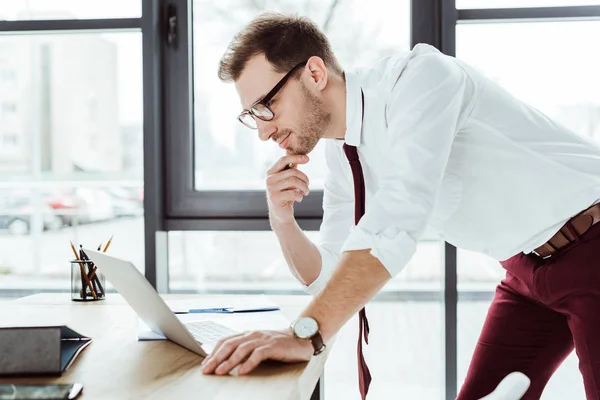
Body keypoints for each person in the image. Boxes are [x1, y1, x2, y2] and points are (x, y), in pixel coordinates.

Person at [200, 12, 600, 400]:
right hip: (525, 270)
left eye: (266, 105)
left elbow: (398, 217)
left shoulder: (420, 81)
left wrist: (305, 334)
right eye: (252, 115)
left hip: (591, 247)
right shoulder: (343, 155)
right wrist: (282, 220)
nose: (264, 130)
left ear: (315, 74)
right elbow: (329, 279)